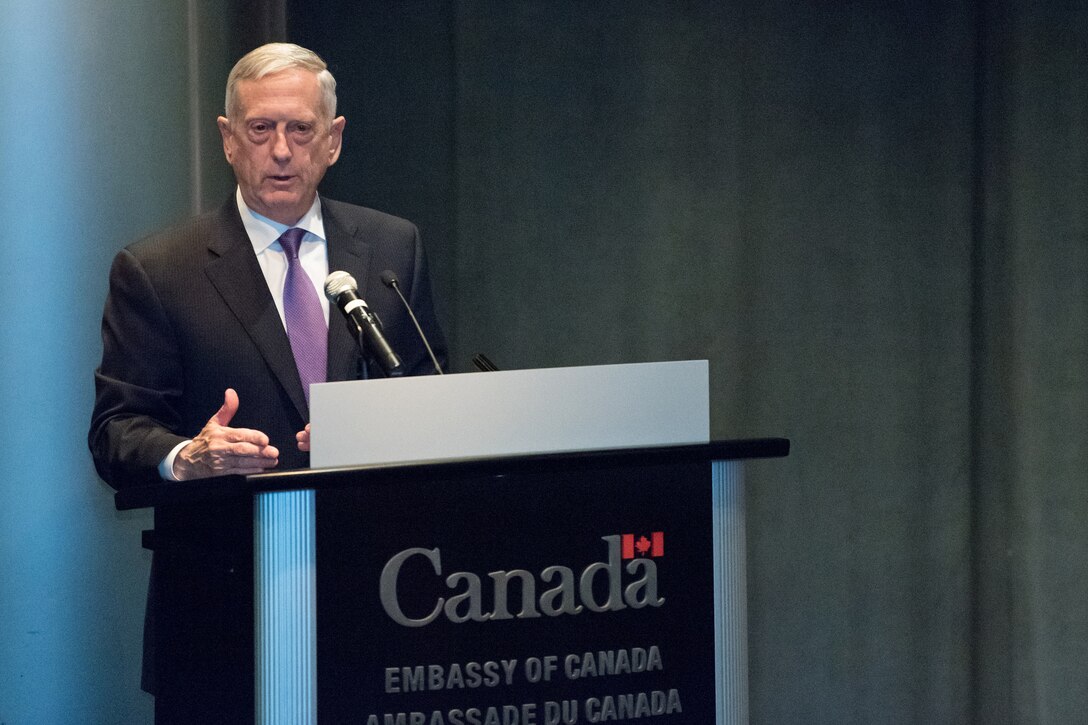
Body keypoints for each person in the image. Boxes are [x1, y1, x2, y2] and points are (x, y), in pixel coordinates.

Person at [88, 42, 446, 722]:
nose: (281, 150)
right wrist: (185, 457)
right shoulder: (158, 270)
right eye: (260, 129)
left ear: (333, 140)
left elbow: (432, 390)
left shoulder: (394, 249)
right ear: (228, 140)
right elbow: (114, 431)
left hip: (384, 602)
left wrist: (376, 430)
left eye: (300, 129)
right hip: (222, 615)